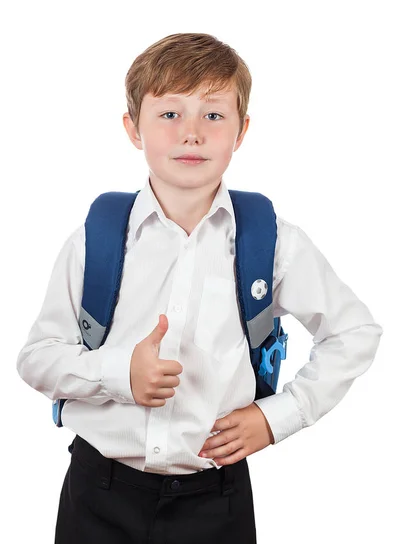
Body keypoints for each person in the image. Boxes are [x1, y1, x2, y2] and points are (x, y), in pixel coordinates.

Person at [16, 32, 383, 544]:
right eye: (169, 114)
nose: (191, 133)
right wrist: (121, 373)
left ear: (242, 131)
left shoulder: (273, 243)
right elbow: (37, 358)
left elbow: (355, 332)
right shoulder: (95, 239)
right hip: (97, 493)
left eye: (213, 115)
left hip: (217, 501)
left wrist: (277, 417)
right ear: (132, 128)